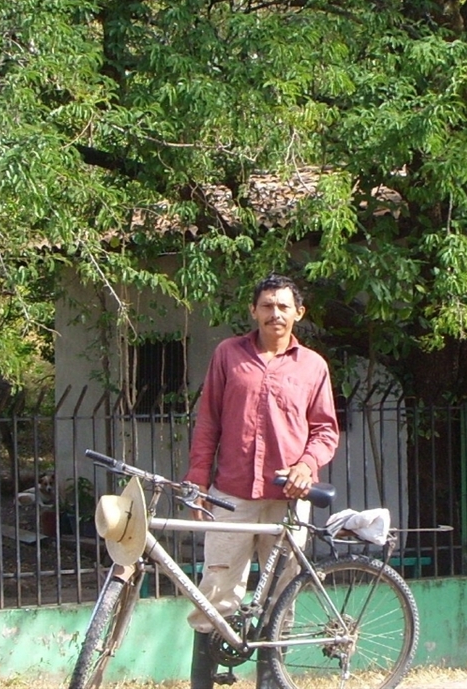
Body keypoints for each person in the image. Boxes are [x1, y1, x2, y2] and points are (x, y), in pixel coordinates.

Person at [183, 273, 340, 689]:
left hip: (287, 498)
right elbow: (208, 421)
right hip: (230, 495)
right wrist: (198, 478)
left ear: (298, 314)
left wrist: (307, 465)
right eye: (267, 305)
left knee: (280, 599)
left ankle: (271, 683)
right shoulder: (227, 355)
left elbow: (325, 430)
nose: (275, 313)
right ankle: (204, 681)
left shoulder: (313, 367)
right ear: (253, 311)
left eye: (284, 306)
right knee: (215, 591)